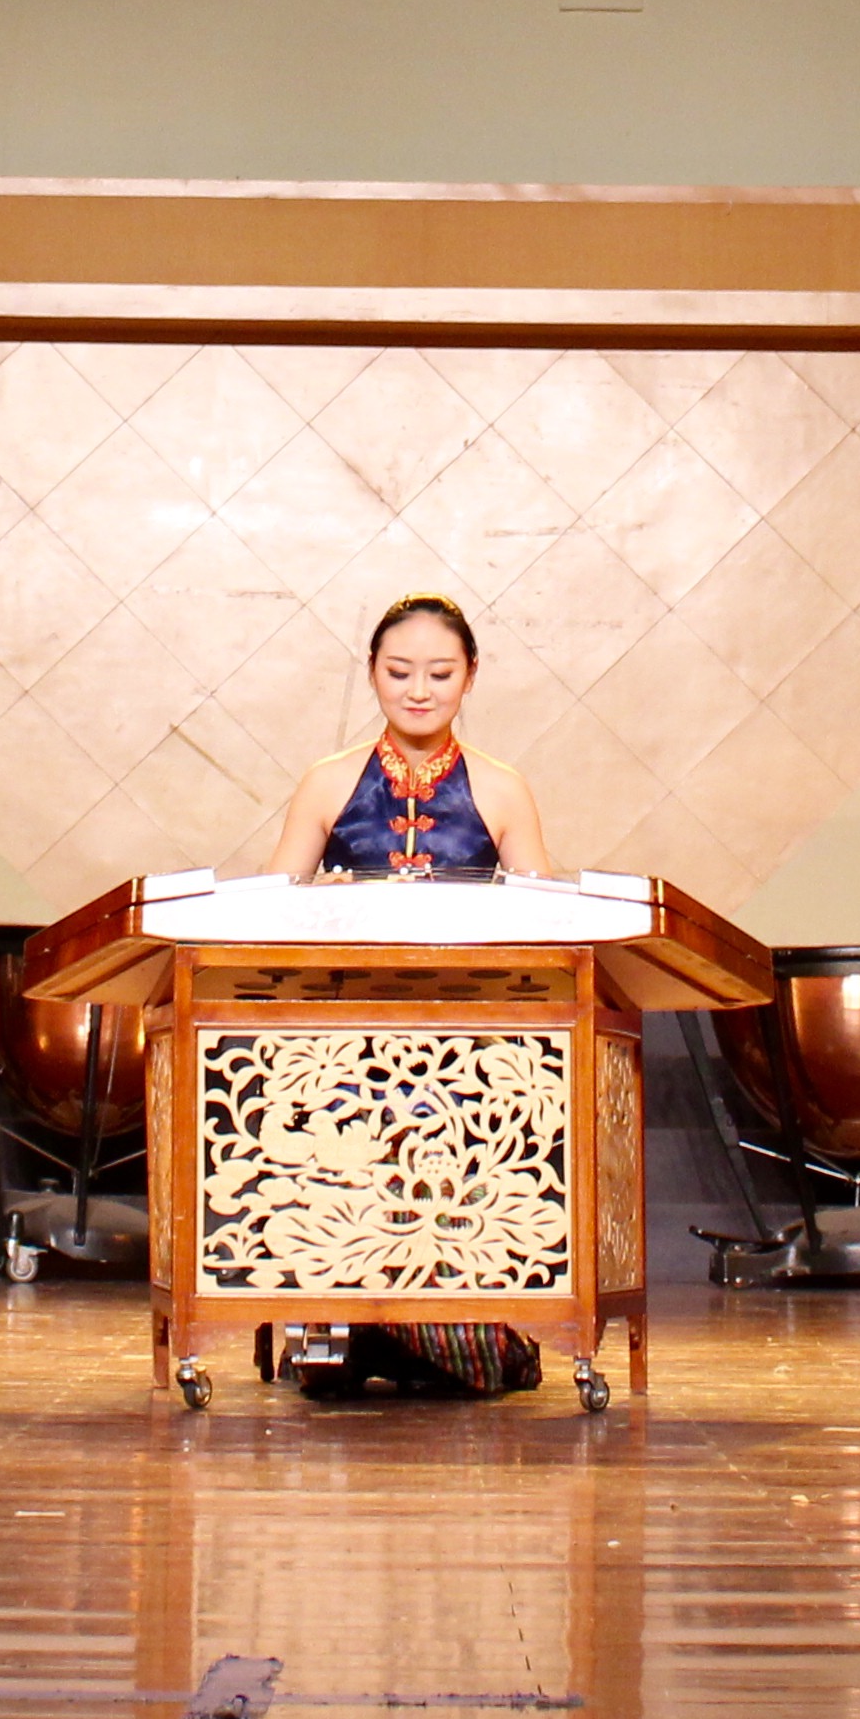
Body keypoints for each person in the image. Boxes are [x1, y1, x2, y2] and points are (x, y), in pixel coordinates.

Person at [252, 594, 558, 1401]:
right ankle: (343, 1326)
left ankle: (449, 1332)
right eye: (399, 672)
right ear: (372, 674)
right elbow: (268, 911)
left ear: (471, 677)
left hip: (470, 1041)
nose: (419, 690)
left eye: (440, 674)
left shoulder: (502, 789)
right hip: (346, 1036)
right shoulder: (327, 783)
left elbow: (546, 921)